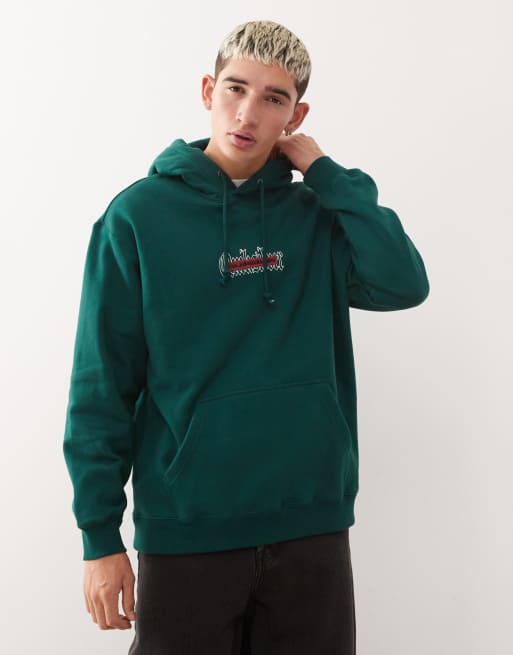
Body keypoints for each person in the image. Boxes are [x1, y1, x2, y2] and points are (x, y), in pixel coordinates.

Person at [63, 19, 429, 654]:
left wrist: (326, 174)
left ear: (296, 115)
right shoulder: (137, 218)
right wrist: (100, 538)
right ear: (209, 90)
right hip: (187, 529)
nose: (248, 112)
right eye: (235, 88)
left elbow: (403, 282)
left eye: (273, 98)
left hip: (310, 525)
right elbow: (102, 384)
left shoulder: (318, 215)